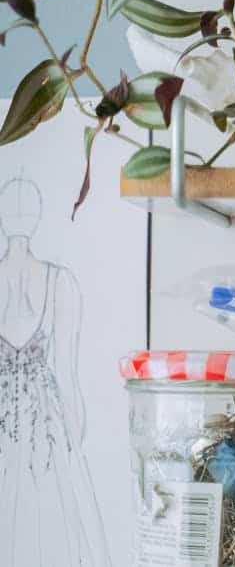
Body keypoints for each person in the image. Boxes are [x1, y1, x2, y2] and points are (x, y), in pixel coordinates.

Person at [0, 178, 110, 566]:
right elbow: (67, 373)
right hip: (43, 414)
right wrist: (73, 435)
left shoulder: (59, 282)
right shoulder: (59, 282)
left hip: (40, 419)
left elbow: (68, 371)